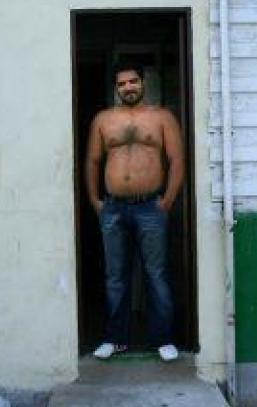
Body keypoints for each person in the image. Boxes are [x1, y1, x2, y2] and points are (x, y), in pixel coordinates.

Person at [85, 62, 185, 361]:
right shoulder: (103, 119)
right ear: (116, 88)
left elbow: (177, 160)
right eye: (122, 84)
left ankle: (163, 339)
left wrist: (167, 201)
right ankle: (114, 339)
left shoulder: (162, 117)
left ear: (143, 83)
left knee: (156, 274)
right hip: (113, 208)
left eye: (133, 81)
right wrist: (96, 201)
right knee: (115, 276)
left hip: (150, 207)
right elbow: (92, 161)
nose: (128, 87)